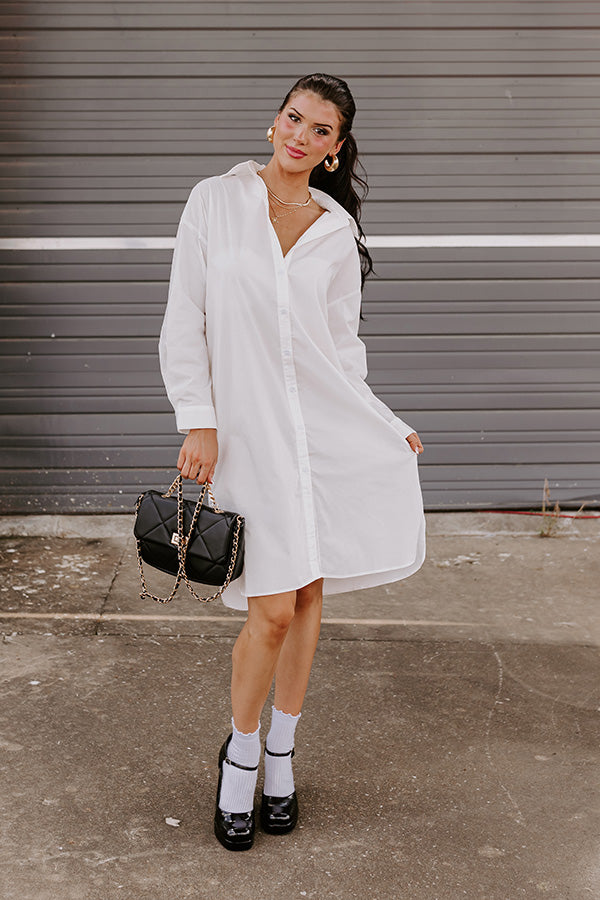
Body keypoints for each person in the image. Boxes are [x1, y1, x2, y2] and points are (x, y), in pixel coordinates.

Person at [158, 72, 426, 851]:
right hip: (245, 436)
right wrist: (197, 419)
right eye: (292, 118)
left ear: (336, 151)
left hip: (319, 434)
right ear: (274, 121)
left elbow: (340, 352)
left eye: (318, 130)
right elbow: (185, 316)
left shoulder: (335, 231)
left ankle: (282, 754)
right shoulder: (215, 200)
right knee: (269, 606)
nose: (299, 136)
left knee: (308, 598)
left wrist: (382, 423)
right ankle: (239, 757)